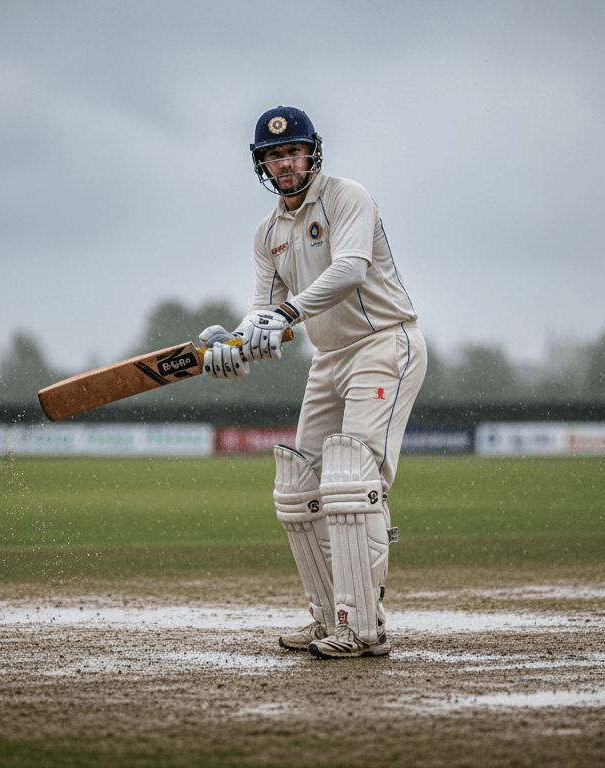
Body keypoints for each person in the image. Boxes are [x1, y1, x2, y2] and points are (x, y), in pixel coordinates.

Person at [200, 106, 427, 659]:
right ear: (262, 165)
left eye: (293, 151)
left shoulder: (348, 197)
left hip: (383, 344)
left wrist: (285, 314)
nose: (285, 163)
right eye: (274, 156)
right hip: (328, 358)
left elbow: (350, 270)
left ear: (312, 153)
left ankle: (364, 627)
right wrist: (234, 345)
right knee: (300, 485)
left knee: (352, 481)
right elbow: (265, 314)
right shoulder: (267, 234)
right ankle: (329, 616)